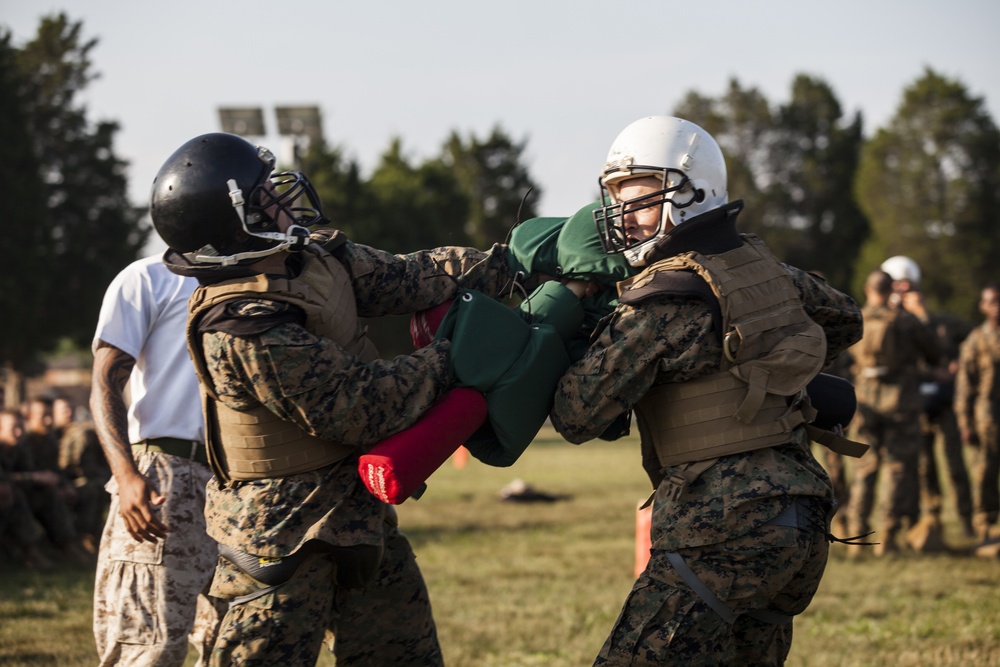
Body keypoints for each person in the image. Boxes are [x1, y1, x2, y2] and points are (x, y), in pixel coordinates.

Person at [152, 132, 542, 665]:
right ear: (234, 223)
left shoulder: (308, 258)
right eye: (263, 193)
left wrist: (516, 263)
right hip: (282, 541)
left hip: (356, 520)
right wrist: (457, 357)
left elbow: (410, 277)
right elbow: (360, 406)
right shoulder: (242, 326)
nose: (282, 196)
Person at [549, 115, 865, 665]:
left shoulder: (661, 301)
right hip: (805, 519)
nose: (625, 217)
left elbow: (577, 416)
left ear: (692, 195)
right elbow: (845, 319)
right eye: (618, 199)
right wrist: (762, 369)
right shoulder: (770, 270)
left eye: (641, 199)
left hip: (721, 530)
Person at [90, 253, 224, 665]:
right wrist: (126, 475)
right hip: (166, 474)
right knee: (149, 645)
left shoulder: (260, 279)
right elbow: (104, 385)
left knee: (228, 644)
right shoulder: (148, 277)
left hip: (239, 482)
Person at [880, 255, 975, 544]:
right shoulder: (890, 324)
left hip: (945, 404)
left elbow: (975, 342)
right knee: (923, 468)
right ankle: (928, 520)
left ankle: (968, 521)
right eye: (898, 288)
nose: (904, 294)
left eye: (908, 288)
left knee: (956, 465)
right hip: (913, 405)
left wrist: (957, 363)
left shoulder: (945, 322)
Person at [846, 269, 940, 555]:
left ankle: (857, 537)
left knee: (864, 468)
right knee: (897, 468)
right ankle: (887, 537)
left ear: (867, 288)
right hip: (900, 402)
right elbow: (934, 353)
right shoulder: (905, 322)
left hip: (864, 401)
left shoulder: (854, 319)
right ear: (891, 291)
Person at [954, 283, 1000, 549]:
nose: (997, 306)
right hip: (987, 418)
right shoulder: (976, 340)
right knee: (984, 474)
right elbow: (964, 387)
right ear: (982, 306)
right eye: (992, 301)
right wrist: (965, 424)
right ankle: (986, 527)